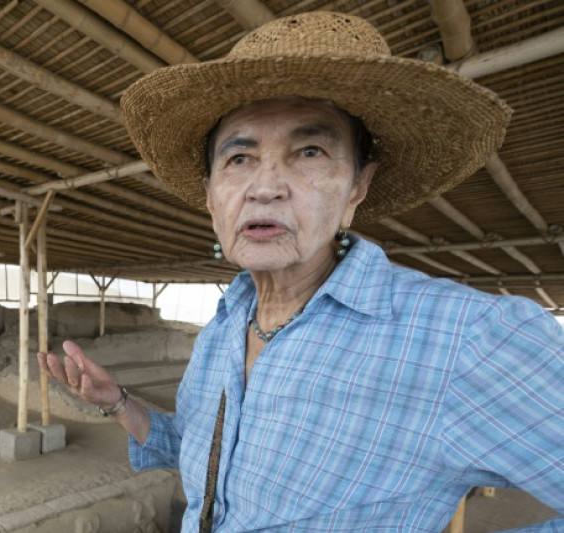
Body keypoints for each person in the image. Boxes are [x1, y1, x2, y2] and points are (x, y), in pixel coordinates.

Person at [37, 11, 564, 533]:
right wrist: (120, 405)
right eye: (239, 159)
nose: (265, 187)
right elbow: (213, 462)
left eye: (309, 151)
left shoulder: (467, 339)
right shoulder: (224, 327)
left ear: (357, 186)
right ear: (210, 194)